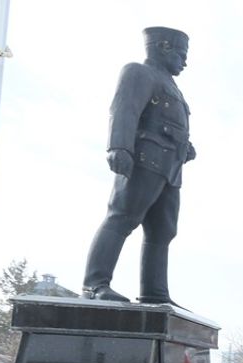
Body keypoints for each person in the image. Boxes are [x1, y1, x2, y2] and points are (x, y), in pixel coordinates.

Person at [82, 27, 196, 304]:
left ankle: (155, 293)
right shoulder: (139, 72)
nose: (184, 61)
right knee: (122, 217)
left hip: (170, 167)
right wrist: (119, 146)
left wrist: (186, 146)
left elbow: (166, 123)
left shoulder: (172, 87)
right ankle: (95, 284)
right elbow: (125, 109)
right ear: (163, 47)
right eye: (181, 54)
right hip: (145, 159)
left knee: (163, 230)